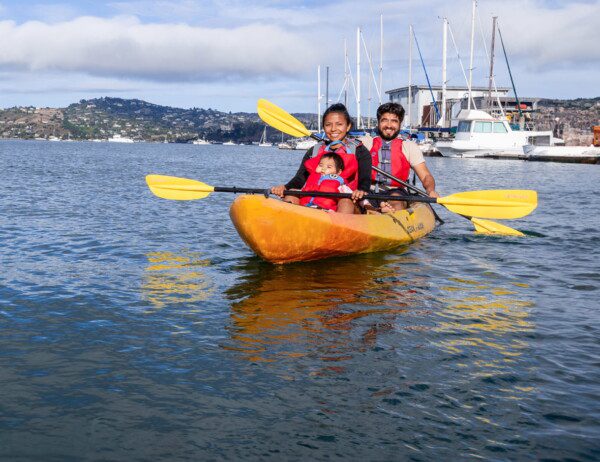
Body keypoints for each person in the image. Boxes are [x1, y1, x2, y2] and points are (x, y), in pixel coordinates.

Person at [271, 103, 371, 214]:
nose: (333, 129)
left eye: (339, 124)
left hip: (348, 202)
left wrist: (361, 191)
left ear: (348, 126)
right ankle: (289, 226)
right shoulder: (314, 151)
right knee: (292, 193)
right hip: (314, 202)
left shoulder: (360, 151)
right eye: (328, 125)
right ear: (323, 127)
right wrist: (285, 187)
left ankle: (340, 229)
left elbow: (365, 181)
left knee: (345, 201)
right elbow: (300, 179)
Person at [368, 102, 439, 212]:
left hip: (397, 193)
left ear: (400, 124)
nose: (389, 125)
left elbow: (425, 176)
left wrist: (430, 190)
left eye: (394, 121)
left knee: (396, 200)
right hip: (368, 192)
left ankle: (391, 219)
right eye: (384, 120)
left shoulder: (409, 146)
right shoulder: (365, 143)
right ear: (378, 122)